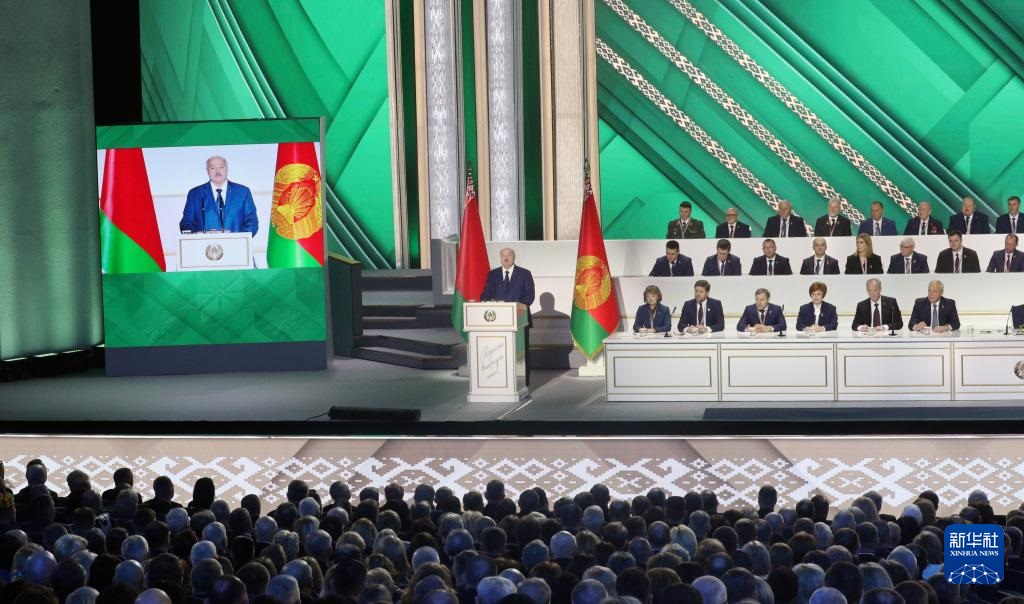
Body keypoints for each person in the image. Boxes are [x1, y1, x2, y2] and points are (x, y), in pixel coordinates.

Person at [481, 247, 536, 383]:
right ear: (500, 257)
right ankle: (499, 380)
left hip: (520, 320)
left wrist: (519, 306)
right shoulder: (492, 274)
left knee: (521, 353)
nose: (506, 258)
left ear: (514, 257)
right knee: (500, 352)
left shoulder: (524, 274)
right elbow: (485, 295)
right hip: (497, 321)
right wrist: (488, 301)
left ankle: (523, 382)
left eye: (509, 255)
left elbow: (529, 296)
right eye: (503, 256)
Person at [179, 156, 258, 236]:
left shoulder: (243, 192)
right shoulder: (195, 194)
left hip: (236, 243)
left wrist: (240, 238)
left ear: (227, 169)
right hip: (205, 243)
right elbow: (186, 224)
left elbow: (252, 222)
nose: (217, 171)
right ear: (207, 171)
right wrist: (198, 235)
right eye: (212, 168)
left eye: (221, 167)